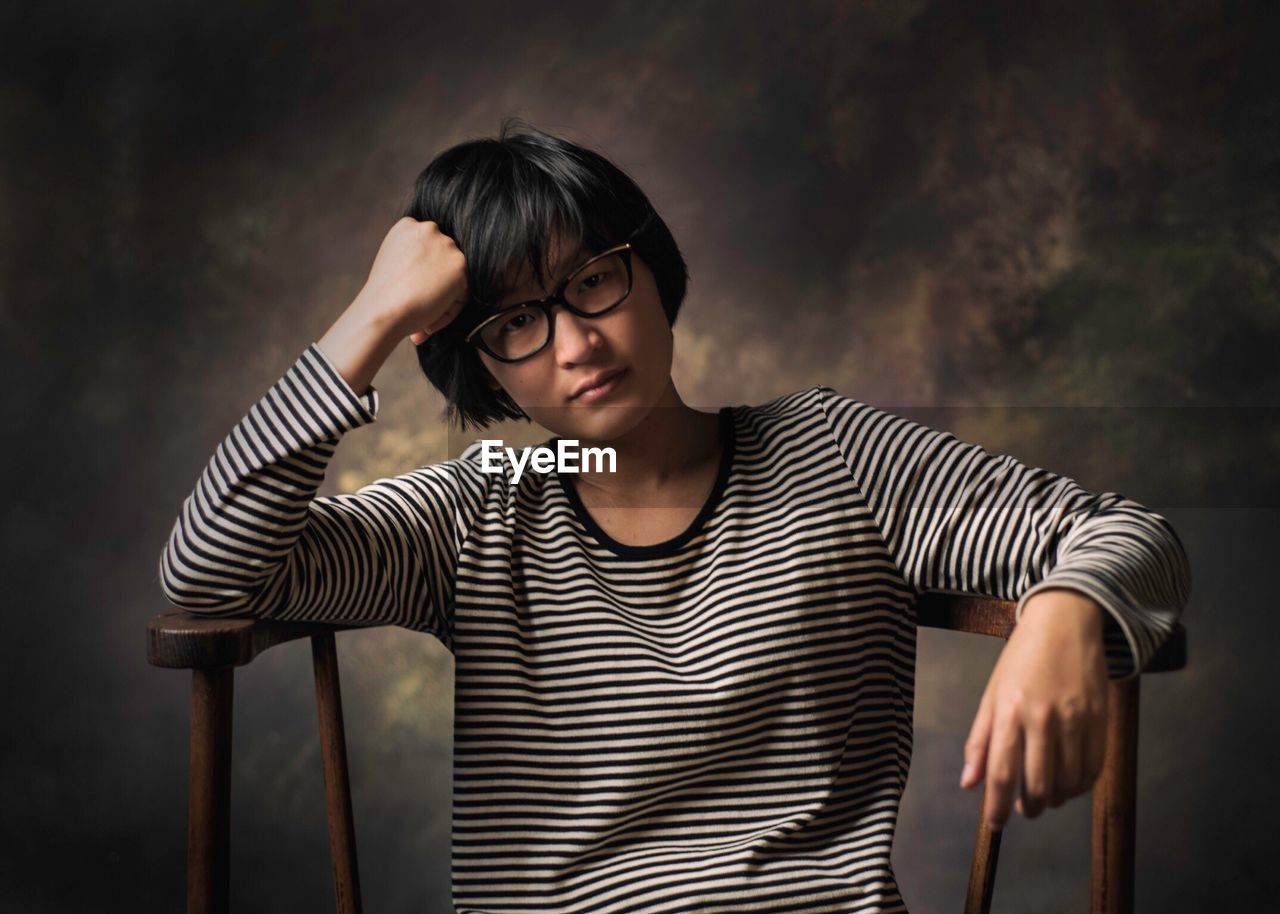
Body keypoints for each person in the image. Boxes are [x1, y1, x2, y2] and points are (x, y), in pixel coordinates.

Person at [157, 119, 1192, 914]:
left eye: (592, 282)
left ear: (652, 274)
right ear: (481, 368)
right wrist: (369, 317)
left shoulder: (829, 454)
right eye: (516, 321)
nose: (573, 342)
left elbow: (1124, 530)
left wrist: (1061, 612)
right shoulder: (474, 515)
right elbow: (207, 574)